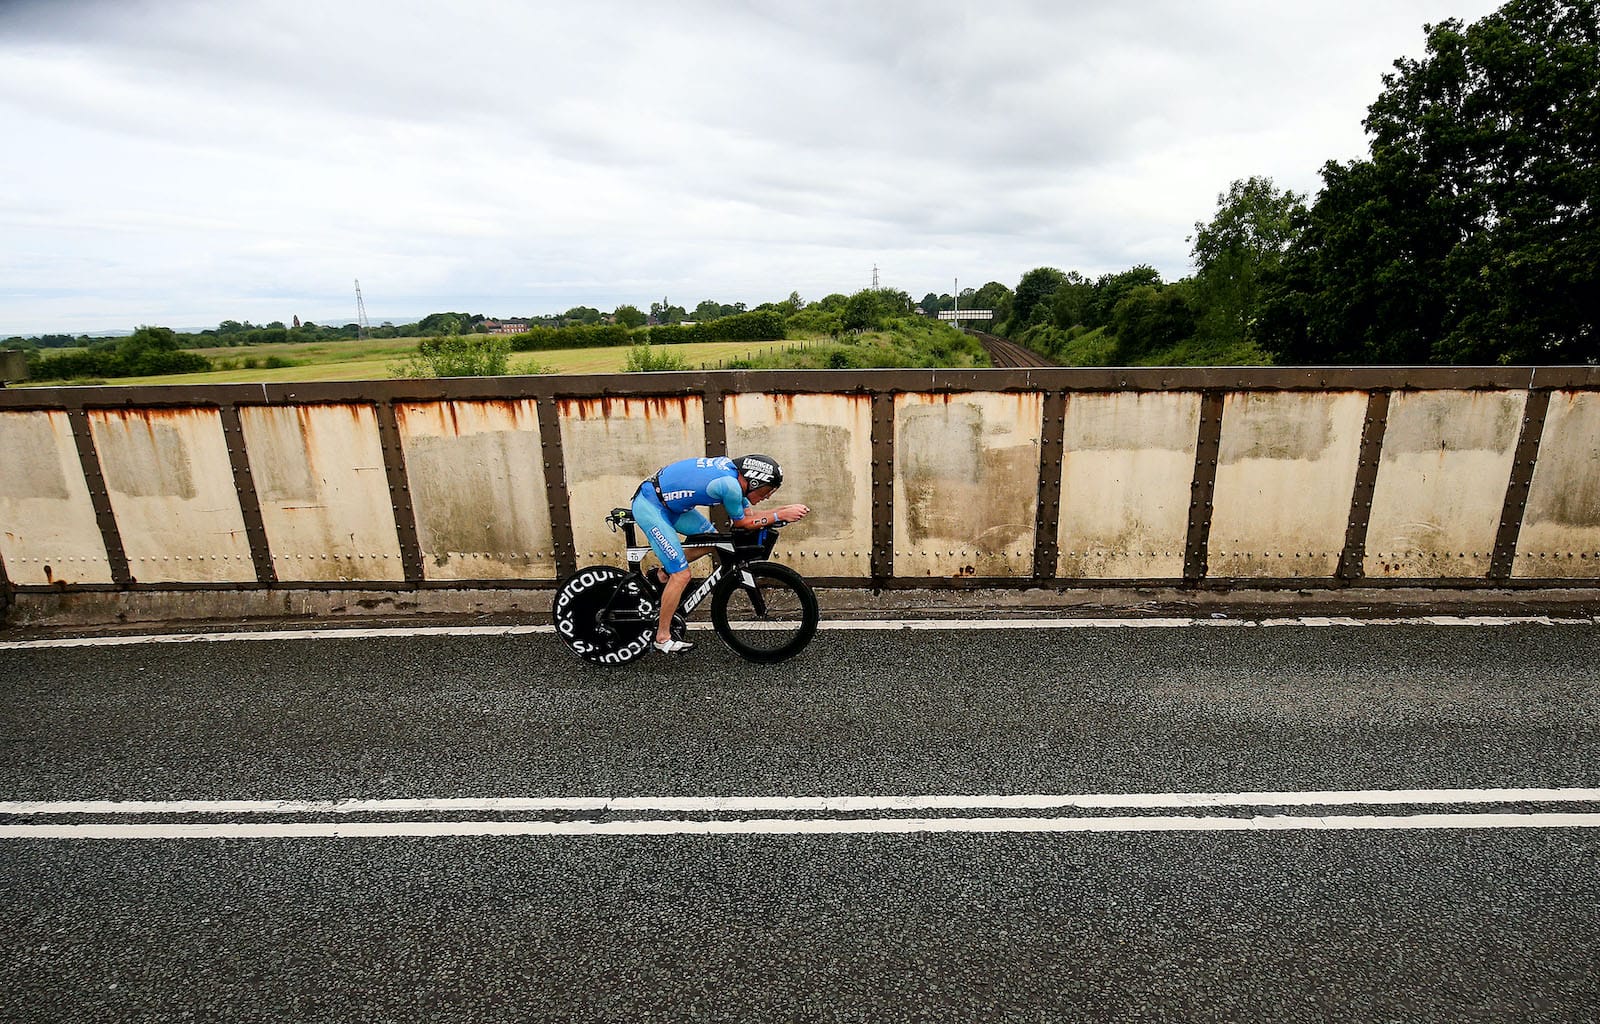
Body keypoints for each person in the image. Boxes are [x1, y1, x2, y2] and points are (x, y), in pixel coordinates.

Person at [632, 453, 809, 654]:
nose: (767, 496)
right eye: (766, 491)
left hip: (671, 505)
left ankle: (662, 576)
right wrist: (780, 514)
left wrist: (783, 510)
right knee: (681, 575)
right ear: (753, 481)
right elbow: (742, 523)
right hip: (651, 506)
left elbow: (750, 516)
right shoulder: (730, 486)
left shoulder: (735, 478)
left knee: (712, 540)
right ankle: (662, 638)